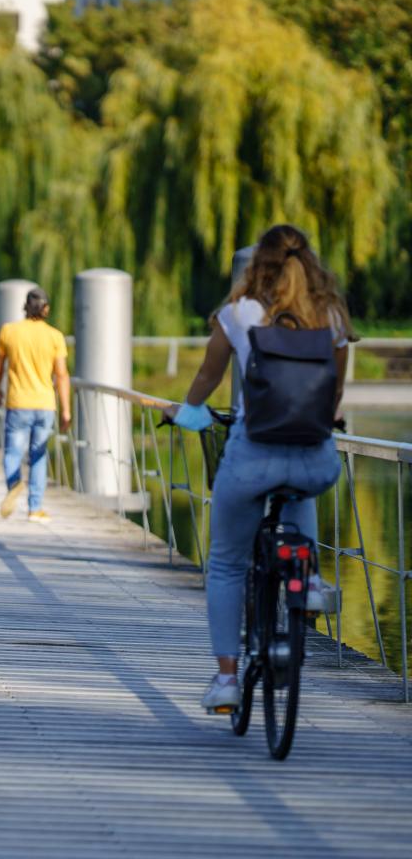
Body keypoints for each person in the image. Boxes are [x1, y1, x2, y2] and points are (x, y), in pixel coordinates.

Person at [161, 225, 347, 712]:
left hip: (252, 453)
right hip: (313, 456)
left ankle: (226, 679)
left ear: (256, 265)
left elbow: (208, 377)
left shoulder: (238, 313)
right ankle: (305, 581)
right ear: (310, 264)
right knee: (300, 486)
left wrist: (185, 410)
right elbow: (333, 395)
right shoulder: (330, 316)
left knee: (226, 562)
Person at [0, 287, 72, 523]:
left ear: (25, 307)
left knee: (12, 452)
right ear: (46, 308)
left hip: (17, 402)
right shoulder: (55, 336)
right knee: (38, 455)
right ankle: (35, 508)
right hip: (45, 404)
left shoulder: (9, 331)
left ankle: (14, 484)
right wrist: (66, 410)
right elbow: (62, 375)